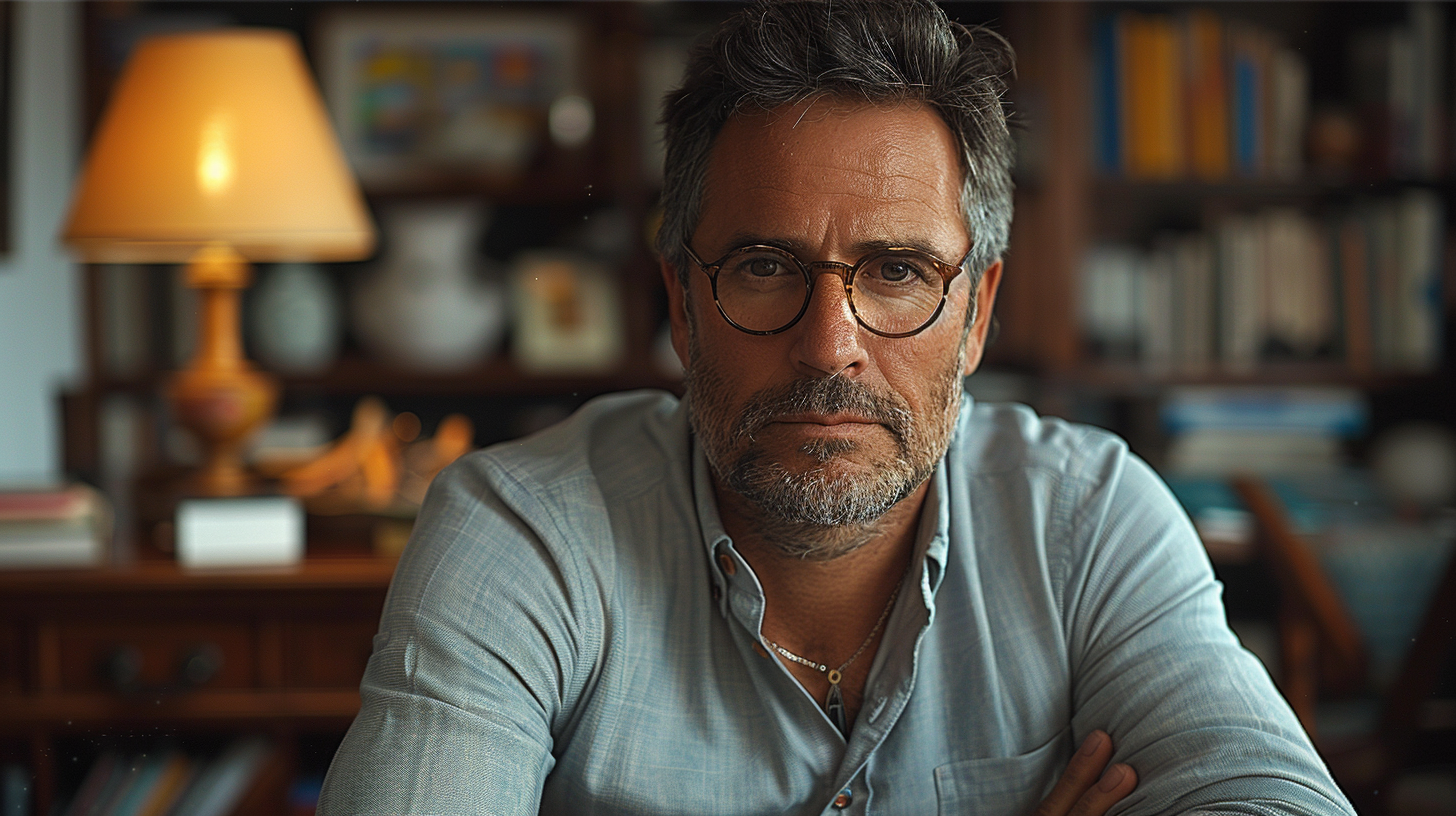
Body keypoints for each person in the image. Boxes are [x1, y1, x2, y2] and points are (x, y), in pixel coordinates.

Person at [318, 2, 1356, 814]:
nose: (829, 346)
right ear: (682, 300)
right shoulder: (521, 532)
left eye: (898, 271)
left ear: (978, 310)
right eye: (766, 267)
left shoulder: (1087, 519)